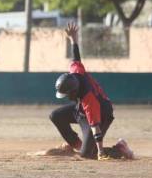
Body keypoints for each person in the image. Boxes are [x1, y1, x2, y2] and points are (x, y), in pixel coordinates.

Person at [46, 22, 134, 160]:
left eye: (67, 94)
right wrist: (73, 39)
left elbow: (95, 126)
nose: (66, 97)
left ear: (73, 91)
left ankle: (120, 149)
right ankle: (77, 145)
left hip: (102, 114)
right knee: (55, 115)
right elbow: (76, 58)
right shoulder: (75, 72)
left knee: (88, 155)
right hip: (82, 110)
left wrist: (100, 152)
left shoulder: (88, 99)